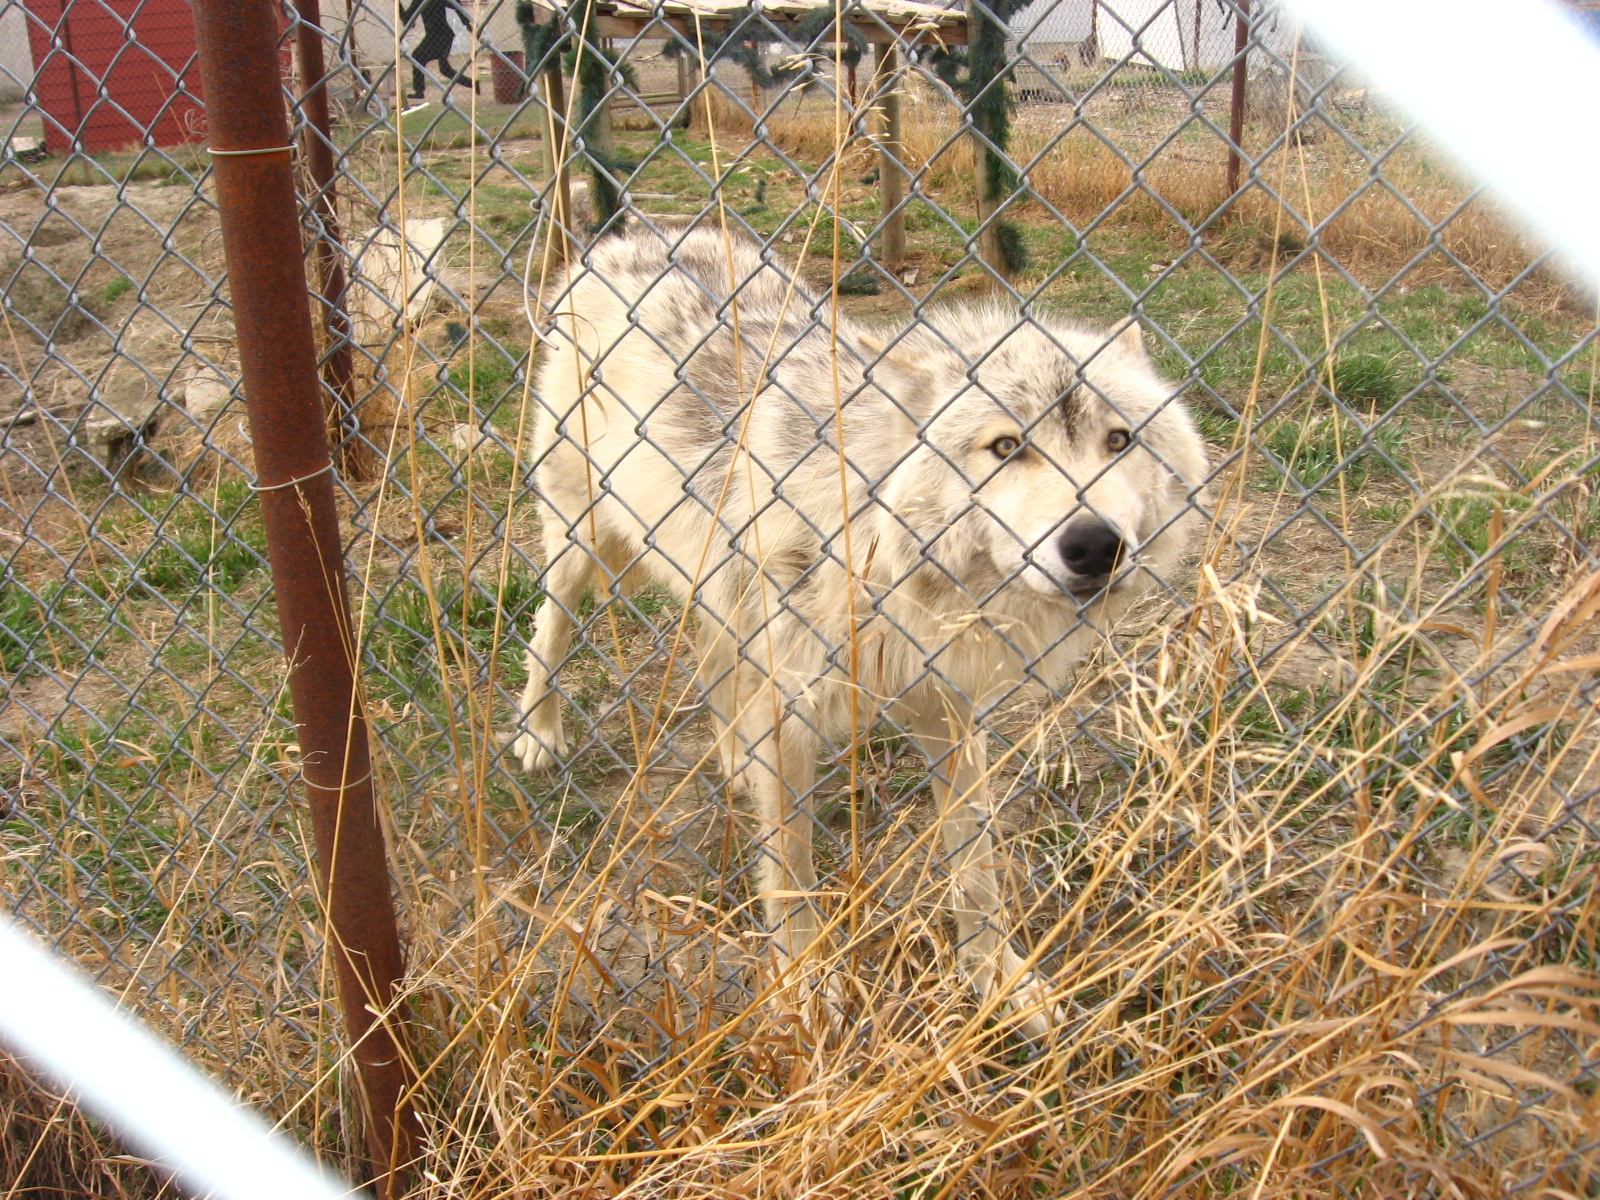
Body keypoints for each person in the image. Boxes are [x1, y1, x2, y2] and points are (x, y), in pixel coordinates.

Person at [402, 0, 476, 103]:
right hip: (436, 36)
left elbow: (455, 4)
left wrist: (467, 23)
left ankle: (419, 91)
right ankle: (472, 84)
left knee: (418, 57)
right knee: (443, 68)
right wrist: (398, 5)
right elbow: (407, 19)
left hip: (442, 36)